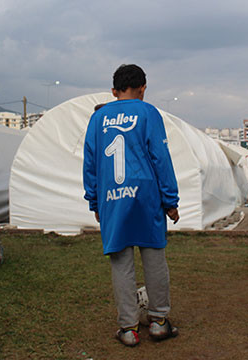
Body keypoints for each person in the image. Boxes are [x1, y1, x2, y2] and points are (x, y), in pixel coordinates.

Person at [83, 64, 180, 347]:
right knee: (154, 260)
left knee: (121, 263)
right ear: (143, 88)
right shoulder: (148, 112)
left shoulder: (98, 117)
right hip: (146, 197)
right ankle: (159, 322)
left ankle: (128, 328)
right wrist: (170, 200)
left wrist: (94, 200)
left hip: (113, 200)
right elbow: (160, 157)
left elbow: (90, 163)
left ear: (113, 91)